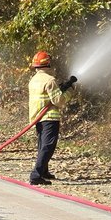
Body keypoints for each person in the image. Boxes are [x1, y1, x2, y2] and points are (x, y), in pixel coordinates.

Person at [27, 51, 76, 184]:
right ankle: (36, 175)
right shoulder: (50, 80)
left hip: (37, 118)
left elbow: (48, 96)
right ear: (48, 63)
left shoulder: (34, 80)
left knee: (42, 145)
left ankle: (43, 171)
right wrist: (70, 91)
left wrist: (61, 88)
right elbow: (58, 101)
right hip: (49, 118)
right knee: (48, 146)